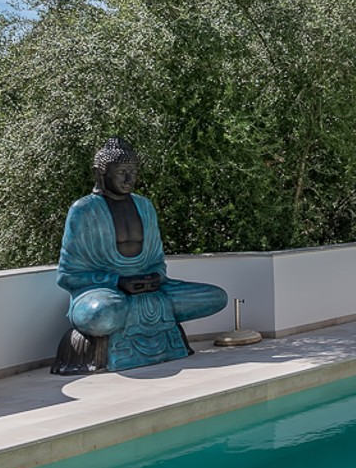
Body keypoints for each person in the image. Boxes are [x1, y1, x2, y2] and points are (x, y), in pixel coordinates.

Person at [51, 138, 227, 374]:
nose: (129, 179)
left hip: (151, 290)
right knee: (101, 314)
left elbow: (156, 261)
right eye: (122, 172)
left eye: (133, 172)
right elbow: (67, 276)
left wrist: (154, 277)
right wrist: (118, 282)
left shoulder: (144, 206)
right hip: (103, 295)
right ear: (100, 174)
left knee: (216, 297)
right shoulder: (84, 210)